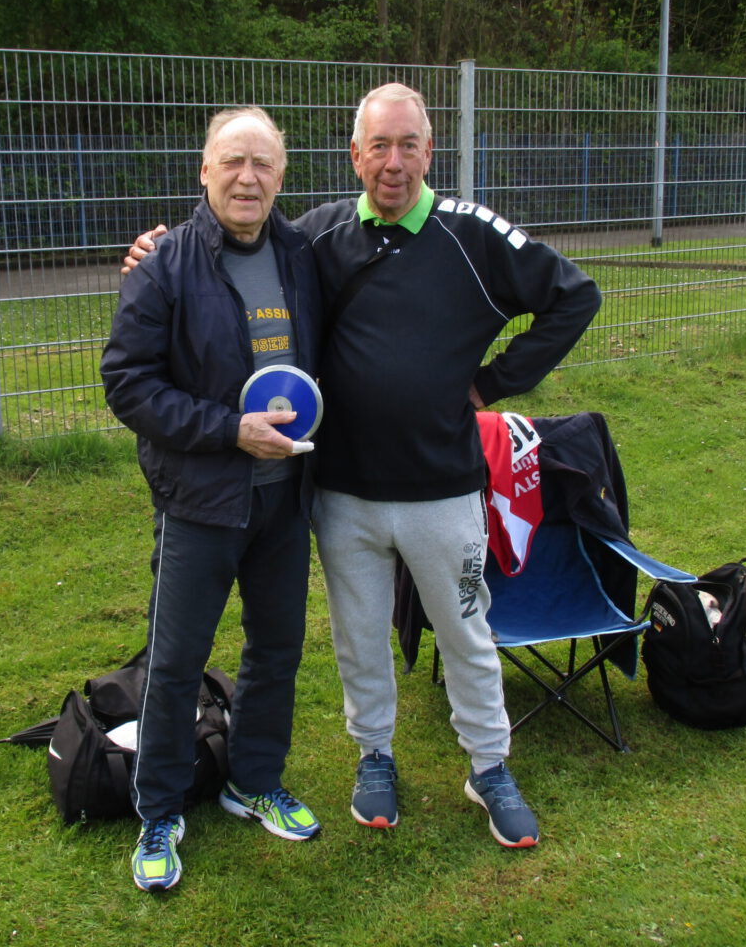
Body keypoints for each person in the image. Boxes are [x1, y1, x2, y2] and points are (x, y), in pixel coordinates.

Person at [122, 83, 602, 850]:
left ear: (430, 151)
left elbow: (576, 296)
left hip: (439, 489)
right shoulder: (319, 237)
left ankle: (490, 767)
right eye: (378, 146)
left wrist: (491, 383)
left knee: (466, 633)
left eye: (409, 144)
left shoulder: (463, 233)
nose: (394, 162)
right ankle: (372, 758)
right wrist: (159, 251)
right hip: (339, 493)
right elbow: (213, 264)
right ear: (354, 155)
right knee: (356, 639)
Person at [101, 106, 322, 893]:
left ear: (281, 176)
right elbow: (127, 383)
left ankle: (252, 780)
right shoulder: (164, 264)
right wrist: (229, 430)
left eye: (263, 163)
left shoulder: (301, 253)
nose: (247, 176)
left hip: (285, 500)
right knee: (176, 661)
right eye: (232, 161)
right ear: (204, 171)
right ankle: (157, 806)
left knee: (277, 651)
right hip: (200, 499)